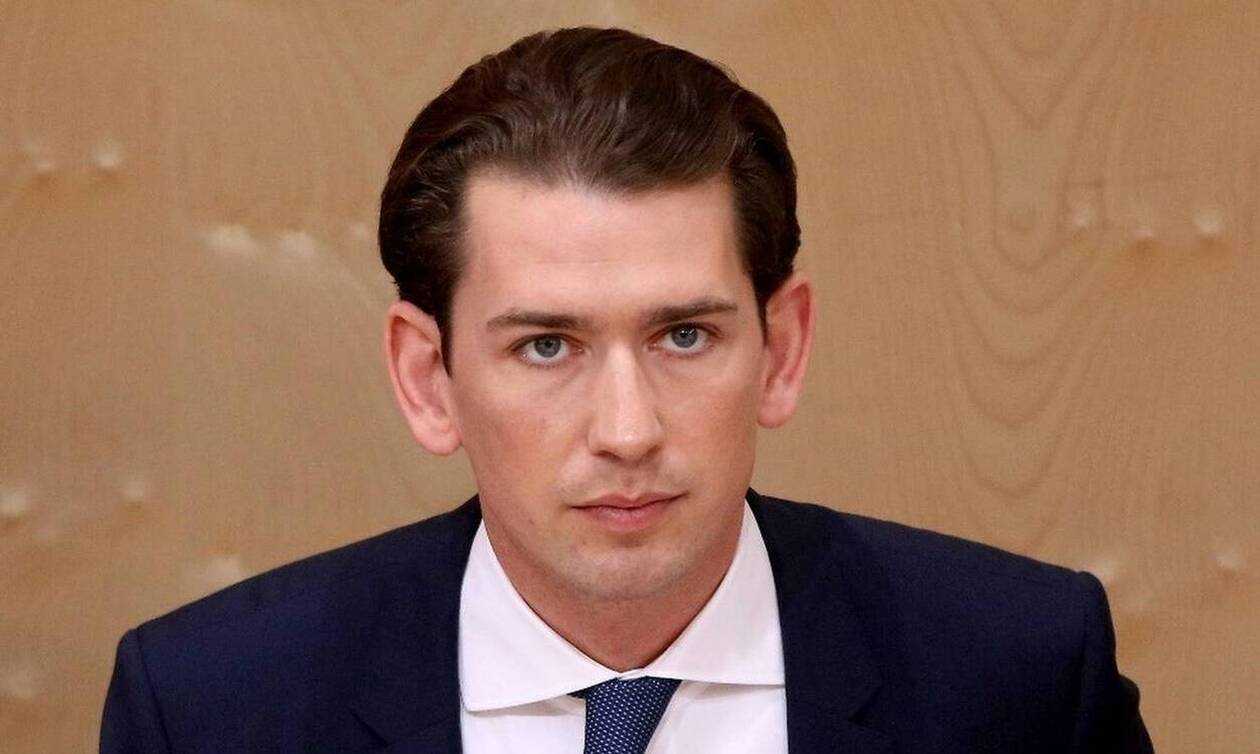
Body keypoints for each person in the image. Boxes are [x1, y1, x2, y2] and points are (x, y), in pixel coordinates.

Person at [101, 26, 1153, 753]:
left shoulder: (1021, 675)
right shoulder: (211, 709)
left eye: (684, 335)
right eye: (546, 347)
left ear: (782, 350)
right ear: (430, 379)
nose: (628, 430)